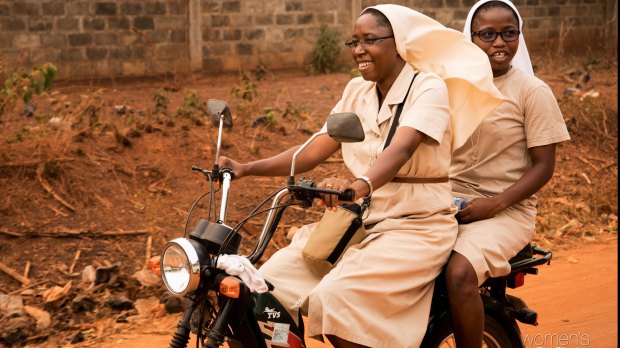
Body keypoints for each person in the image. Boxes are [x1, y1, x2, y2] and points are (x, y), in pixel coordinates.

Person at [219, 4, 501, 347]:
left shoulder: (428, 88)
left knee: (338, 300)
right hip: (357, 223)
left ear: (396, 43)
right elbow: (313, 149)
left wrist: (359, 184)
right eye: (353, 42)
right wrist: (247, 168)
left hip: (415, 226)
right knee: (265, 287)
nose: (358, 50)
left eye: (369, 40)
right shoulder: (356, 91)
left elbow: (402, 148)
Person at [445, 1, 572, 347]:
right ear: (469, 38)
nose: (499, 42)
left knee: (458, 274)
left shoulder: (532, 91)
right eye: (487, 34)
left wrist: (495, 204)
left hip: (507, 210)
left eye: (508, 33)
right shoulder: (452, 87)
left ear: (519, 36)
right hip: (447, 201)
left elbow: (544, 166)